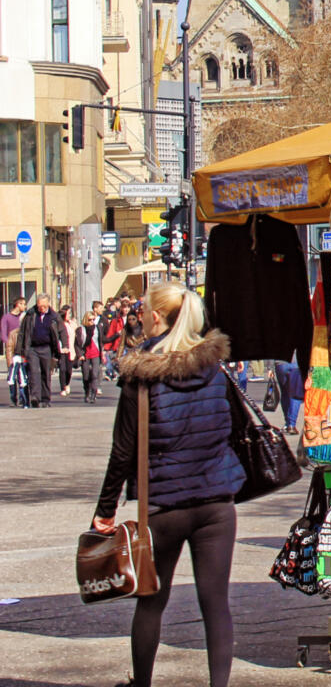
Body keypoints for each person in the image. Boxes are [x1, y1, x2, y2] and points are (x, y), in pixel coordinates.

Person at [92, 281, 245, 687]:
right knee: (215, 604)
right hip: (216, 503)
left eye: (144, 310)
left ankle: (141, 683)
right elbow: (230, 428)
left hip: (164, 506)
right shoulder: (214, 368)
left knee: (150, 602)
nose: (141, 316)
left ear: (155, 317)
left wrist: (105, 511)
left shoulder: (140, 375)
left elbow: (123, 451)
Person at [23, 293, 61, 406]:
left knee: (46, 373)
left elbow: (62, 331)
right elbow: (23, 332)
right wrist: (20, 351)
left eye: (44, 306)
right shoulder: (30, 314)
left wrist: (65, 346)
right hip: (33, 348)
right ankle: (35, 397)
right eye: (39, 306)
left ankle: (45, 399)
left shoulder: (53, 316)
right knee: (34, 373)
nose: (42, 308)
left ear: (48, 304)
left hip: (47, 348)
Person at [76, 301, 104, 403]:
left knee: (95, 375)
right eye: (90, 320)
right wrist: (80, 355)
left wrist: (102, 354)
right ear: (85, 320)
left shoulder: (97, 329)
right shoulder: (81, 330)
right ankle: (87, 392)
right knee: (86, 375)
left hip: (96, 354)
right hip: (86, 355)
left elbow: (101, 341)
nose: (92, 321)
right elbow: (77, 344)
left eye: (93, 320)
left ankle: (93, 394)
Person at [1, 298, 24, 408]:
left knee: (22, 375)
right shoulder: (7, 317)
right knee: (12, 374)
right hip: (12, 350)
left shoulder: (23, 317)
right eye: (23, 304)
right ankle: (13, 398)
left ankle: (22, 398)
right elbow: (3, 333)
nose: (24, 306)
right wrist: (9, 344)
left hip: (22, 349)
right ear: (17, 304)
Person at [58, 303, 77, 396]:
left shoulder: (72, 323)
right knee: (62, 369)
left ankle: (67, 383)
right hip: (62, 350)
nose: (69, 315)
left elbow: (77, 335)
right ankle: (63, 387)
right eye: (68, 313)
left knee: (69, 370)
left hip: (71, 350)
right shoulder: (60, 324)